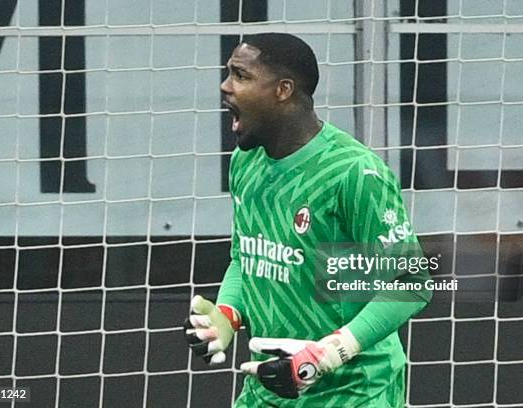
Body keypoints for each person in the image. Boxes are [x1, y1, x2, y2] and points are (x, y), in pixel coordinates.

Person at [184, 32, 432, 407]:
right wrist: (227, 314)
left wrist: (328, 354)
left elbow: (411, 282)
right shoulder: (246, 161)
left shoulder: (354, 173)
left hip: (354, 393)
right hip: (269, 388)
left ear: (283, 90)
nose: (226, 86)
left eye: (241, 75)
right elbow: (246, 256)